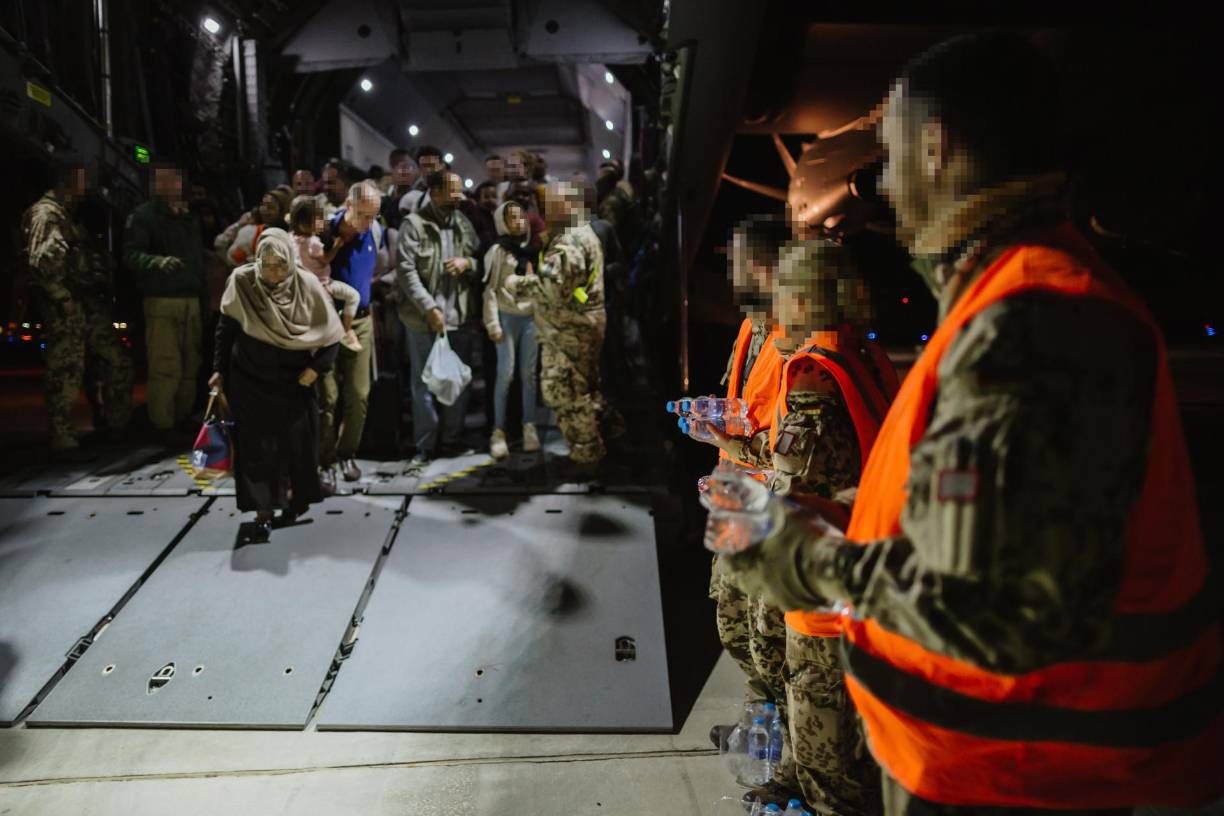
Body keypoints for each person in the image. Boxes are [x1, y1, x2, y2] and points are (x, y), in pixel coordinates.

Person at [723, 31, 1224, 814]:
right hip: (1000, 765)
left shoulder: (1029, 326)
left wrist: (807, 558)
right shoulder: (1011, 303)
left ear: (936, 148)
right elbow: (1003, 531)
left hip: (1013, 777)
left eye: (886, 159)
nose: (882, 184)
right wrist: (852, 522)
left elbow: (992, 611)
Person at [758, 238, 897, 814]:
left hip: (825, 604)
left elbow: (796, 495)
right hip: (871, 582)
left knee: (831, 763)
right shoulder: (865, 358)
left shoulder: (815, 385)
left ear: (797, 301)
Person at [209, 228, 343, 543]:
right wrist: (218, 370)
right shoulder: (242, 282)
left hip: (294, 382)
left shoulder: (306, 284)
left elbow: (331, 336)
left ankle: (294, 500)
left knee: (296, 448)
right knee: (257, 450)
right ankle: (263, 512)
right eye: (266, 265)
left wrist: (315, 370)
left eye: (280, 265)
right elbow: (225, 329)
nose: (272, 273)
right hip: (250, 379)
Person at [22, 160, 133, 455]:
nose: (86, 188)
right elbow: (41, 262)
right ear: (67, 182)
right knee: (66, 369)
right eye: (81, 181)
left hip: (85, 300)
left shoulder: (68, 216)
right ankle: (63, 436)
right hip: (66, 304)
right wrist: (61, 297)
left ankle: (115, 422)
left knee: (115, 359)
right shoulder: (46, 214)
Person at [505, 181, 608, 476]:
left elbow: (553, 287)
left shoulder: (570, 240)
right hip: (578, 328)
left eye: (551, 204)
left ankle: (586, 457)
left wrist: (517, 285)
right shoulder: (578, 233)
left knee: (567, 393)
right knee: (583, 390)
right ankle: (590, 448)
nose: (544, 211)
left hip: (569, 332)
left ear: (570, 205)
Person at [395, 170, 479, 463]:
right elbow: (405, 271)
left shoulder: (463, 224)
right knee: (424, 383)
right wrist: (428, 307)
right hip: (421, 319)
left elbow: (481, 258)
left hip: (458, 315)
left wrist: (467, 262)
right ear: (435, 191)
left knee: (456, 380)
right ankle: (426, 445)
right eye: (453, 191)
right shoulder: (413, 225)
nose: (459, 196)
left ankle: (452, 439)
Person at [124, 162, 206, 444]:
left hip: (191, 300)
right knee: (165, 365)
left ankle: (181, 418)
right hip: (162, 300)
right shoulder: (144, 216)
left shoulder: (188, 216)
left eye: (172, 180)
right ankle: (162, 423)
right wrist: (156, 262)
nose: (167, 186)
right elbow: (131, 255)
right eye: (162, 181)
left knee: (190, 365)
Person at [318, 180, 384, 488]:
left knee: (359, 394)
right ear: (348, 204)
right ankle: (325, 461)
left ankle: (347, 453)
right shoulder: (323, 232)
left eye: (373, 216)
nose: (367, 223)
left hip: (360, 322)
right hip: (326, 325)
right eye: (362, 215)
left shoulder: (375, 232)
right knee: (327, 397)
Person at [482, 200, 540, 460]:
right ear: (502, 222)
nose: (519, 221)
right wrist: (492, 324)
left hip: (530, 318)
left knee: (528, 375)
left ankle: (530, 426)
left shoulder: (534, 249)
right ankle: (498, 431)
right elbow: (491, 290)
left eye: (521, 216)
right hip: (506, 317)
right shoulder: (498, 251)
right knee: (504, 375)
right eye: (512, 217)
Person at [290, 196, 362, 353]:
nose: (322, 223)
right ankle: (346, 330)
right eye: (318, 220)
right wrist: (336, 247)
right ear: (304, 222)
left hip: (305, 290)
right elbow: (325, 260)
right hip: (323, 286)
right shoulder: (313, 242)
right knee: (353, 297)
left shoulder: (291, 239)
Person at [222, 188, 292, 267]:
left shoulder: (291, 234)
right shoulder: (252, 232)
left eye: (270, 207)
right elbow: (227, 251)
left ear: (283, 210)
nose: (264, 210)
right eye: (262, 205)